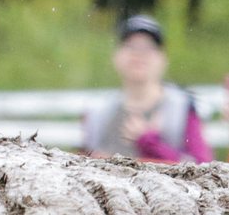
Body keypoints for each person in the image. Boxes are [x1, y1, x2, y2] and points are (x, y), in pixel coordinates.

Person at [82, 14, 212, 163]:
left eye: (148, 47)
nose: (138, 54)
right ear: (116, 56)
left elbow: (203, 168)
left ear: (163, 58)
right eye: (131, 46)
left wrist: (150, 143)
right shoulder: (98, 112)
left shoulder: (182, 108)